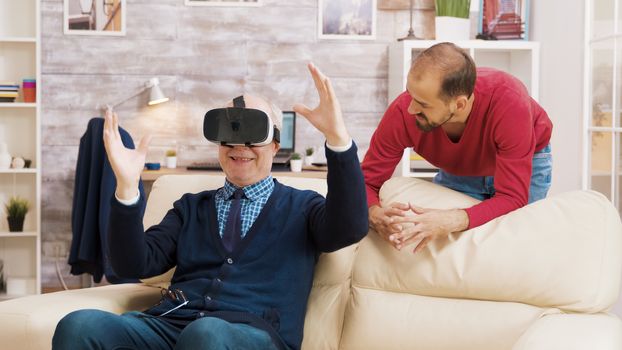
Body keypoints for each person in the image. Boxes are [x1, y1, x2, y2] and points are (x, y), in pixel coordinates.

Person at [52, 63, 368, 350]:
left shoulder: (302, 207)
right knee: (79, 326)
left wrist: (338, 140)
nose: (239, 146)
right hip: (171, 325)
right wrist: (126, 187)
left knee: (205, 334)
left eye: (252, 134)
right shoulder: (191, 208)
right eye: (230, 132)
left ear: (274, 144)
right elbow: (131, 265)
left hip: (252, 336)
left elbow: (349, 227)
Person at [362, 42, 553, 254]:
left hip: (527, 161)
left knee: (513, 247)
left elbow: (511, 197)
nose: (410, 108)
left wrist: (451, 219)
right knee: (452, 250)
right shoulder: (402, 111)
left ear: (459, 105)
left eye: (423, 104)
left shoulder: (509, 102)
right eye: (410, 94)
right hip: (462, 166)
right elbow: (366, 180)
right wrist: (372, 212)